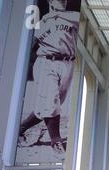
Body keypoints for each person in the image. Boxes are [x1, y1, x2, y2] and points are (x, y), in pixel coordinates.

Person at [18, 0, 79, 157]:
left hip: (68, 63)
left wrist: (57, 15)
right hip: (46, 62)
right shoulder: (43, 21)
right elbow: (31, 44)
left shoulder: (72, 16)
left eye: (65, 0)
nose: (64, 1)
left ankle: (21, 127)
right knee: (51, 103)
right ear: (51, 1)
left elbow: (83, 24)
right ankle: (56, 140)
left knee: (47, 106)